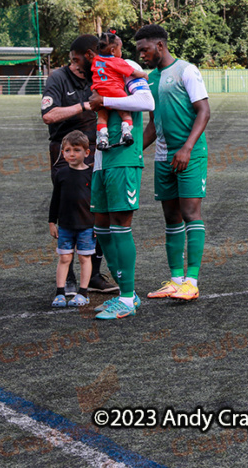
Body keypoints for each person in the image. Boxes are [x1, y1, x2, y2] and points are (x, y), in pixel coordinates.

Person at [134, 25, 211, 300]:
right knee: (171, 217)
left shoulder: (186, 71)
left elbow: (204, 111)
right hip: (164, 158)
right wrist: (135, 152)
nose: (142, 55)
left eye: (145, 49)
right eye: (139, 51)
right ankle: (176, 280)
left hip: (189, 155)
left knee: (191, 213)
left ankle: (192, 281)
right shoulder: (151, 79)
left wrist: (187, 148)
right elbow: (153, 124)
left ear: (160, 46)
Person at [40, 34, 117, 296]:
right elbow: (49, 116)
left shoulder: (102, 75)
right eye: (71, 60)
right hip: (67, 153)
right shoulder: (58, 78)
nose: (73, 64)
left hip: (98, 152)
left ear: (91, 56)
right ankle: (69, 276)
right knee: (70, 209)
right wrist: (84, 105)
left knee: (97, 212)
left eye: (77, 59)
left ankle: (93, 274)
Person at [84, 49, 155, 320]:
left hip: (123, 158)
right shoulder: (97, 73)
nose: (74, 66)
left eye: (77, 60)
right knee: (101, 227)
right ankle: (125, 293)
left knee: (120, 226)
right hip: (103, 159)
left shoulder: (127, 66)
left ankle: (127, 297)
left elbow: (146, 101)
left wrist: (105, 99)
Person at [49, 131, 95, 308]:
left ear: (86, 152)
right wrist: (52, 222)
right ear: (62, 153)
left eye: (76, 150)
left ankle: (83, 293)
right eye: (67, 150)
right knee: (65, 258)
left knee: (85, 258)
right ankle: (60, 293)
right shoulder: (61, 174)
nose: (72, 154)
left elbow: (98, 200)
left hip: (87, 226)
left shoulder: (92, 174)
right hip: (65, 226)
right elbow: (55, 199)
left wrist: (98, 223)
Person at [91, 32, 149, 150]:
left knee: (102, 117)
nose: (121, 52)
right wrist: (143, 75)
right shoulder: (117, 61)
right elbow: (132, 72)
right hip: (114, 92)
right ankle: (126, 133)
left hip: (99, 92)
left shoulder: (96, 60)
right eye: (120, 49)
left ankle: (102, 139)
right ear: (113, 51)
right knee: (125, 113)